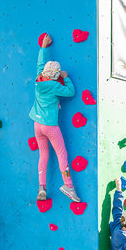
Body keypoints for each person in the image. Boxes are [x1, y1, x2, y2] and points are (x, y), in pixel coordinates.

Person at [29, 33, 79, 203]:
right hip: (50, 126)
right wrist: (66, 78)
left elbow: (40, 64)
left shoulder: (38, 79)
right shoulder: (55, 86)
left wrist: (43, 46)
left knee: (43, 154)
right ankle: (68, 186)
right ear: (56, 75)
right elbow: (70, 92)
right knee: (61, 154)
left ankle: (42, 187)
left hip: (37, 124)